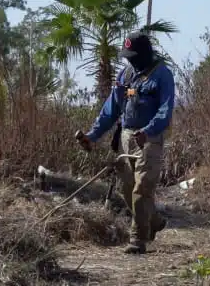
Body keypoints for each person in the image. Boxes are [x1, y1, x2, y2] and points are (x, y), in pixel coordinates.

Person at [75, 32, 175, 254]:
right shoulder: (125, 76)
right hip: (126, 137)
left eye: (133, 55)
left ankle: (138, 239)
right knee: (128, 188)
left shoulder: (162, 75)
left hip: (149, 139)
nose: (129, 59)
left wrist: (148, 132)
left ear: (144, 54)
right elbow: (110, 110)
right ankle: (154, 220)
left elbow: (165, 110)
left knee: (142, 187)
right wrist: (92, 136)